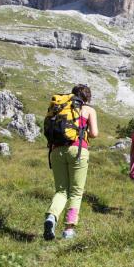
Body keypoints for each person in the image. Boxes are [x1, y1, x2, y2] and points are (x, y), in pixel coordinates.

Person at [44, 84, 98, 240]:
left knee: (61, 190)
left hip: (55, 151)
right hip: (77, 150)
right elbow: (94, 133)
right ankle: (68, 229)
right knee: (76, 191)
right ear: (87, 98)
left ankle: (51, 217)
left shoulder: (60, 108)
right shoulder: (88, 110)